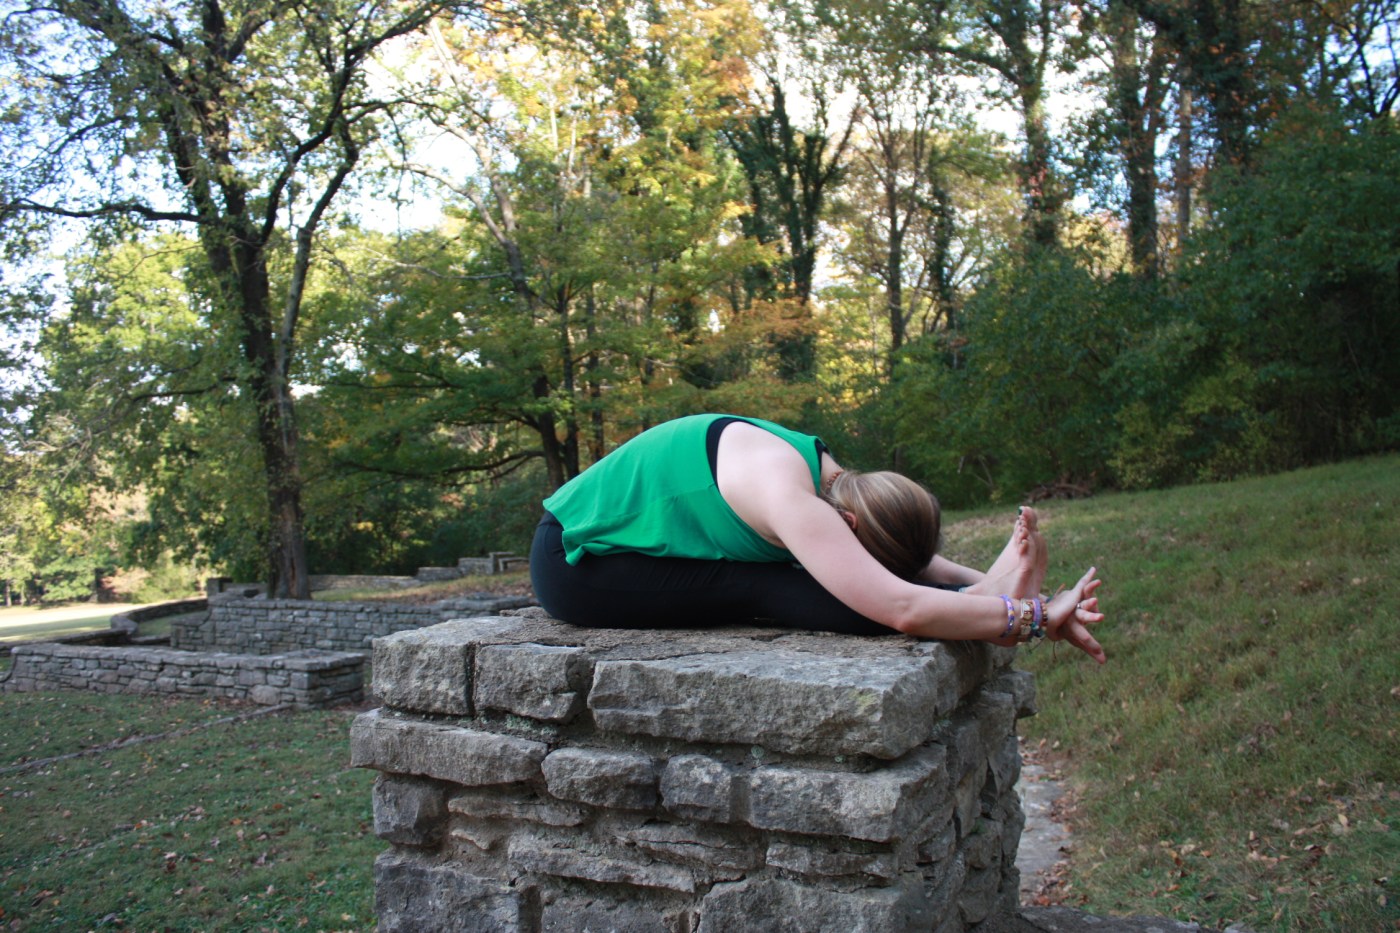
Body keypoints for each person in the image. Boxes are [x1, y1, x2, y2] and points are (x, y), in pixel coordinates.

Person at [530, 413, 1106, 662]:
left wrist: (1003, 589)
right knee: (771, 588)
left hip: (618, 549)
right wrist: (1027, 618)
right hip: (579, 564)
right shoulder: (792, 498)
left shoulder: (841, 486)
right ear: (850, 525)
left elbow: (911, 566)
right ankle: (984, 606)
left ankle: (981, 601)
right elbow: (901, 605)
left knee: (845, 581)